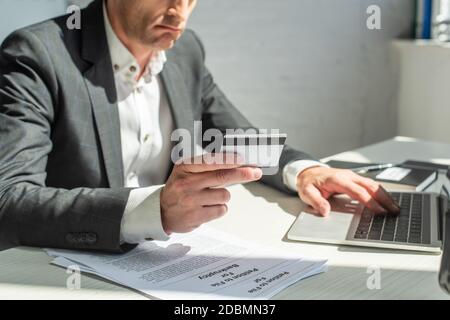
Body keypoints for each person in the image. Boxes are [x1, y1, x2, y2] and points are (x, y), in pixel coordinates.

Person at [0, 0, 400, 252]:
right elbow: (9, 200)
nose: (180, 12)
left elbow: (237, 137)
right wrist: (152, 209)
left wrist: (307, 171)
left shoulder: (185, 50)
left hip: (167, 260)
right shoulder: (37, 54)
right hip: (63, 268)